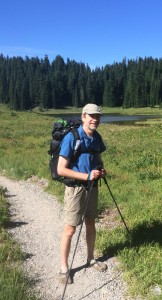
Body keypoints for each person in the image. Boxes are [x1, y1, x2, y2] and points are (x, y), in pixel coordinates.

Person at [57, 103, 107, 284]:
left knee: (91, 223)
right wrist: (86, 175)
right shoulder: (72, 137)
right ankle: (64, 268)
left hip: (92, 187)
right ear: (84, 116)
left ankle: (90, 258)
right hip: (76, 189)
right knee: (70, 229)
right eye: (92, 116)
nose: (95, 119)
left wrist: (101, 171)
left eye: (98, 116)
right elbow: (61, 169)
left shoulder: (97, 138)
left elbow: (99, 160)